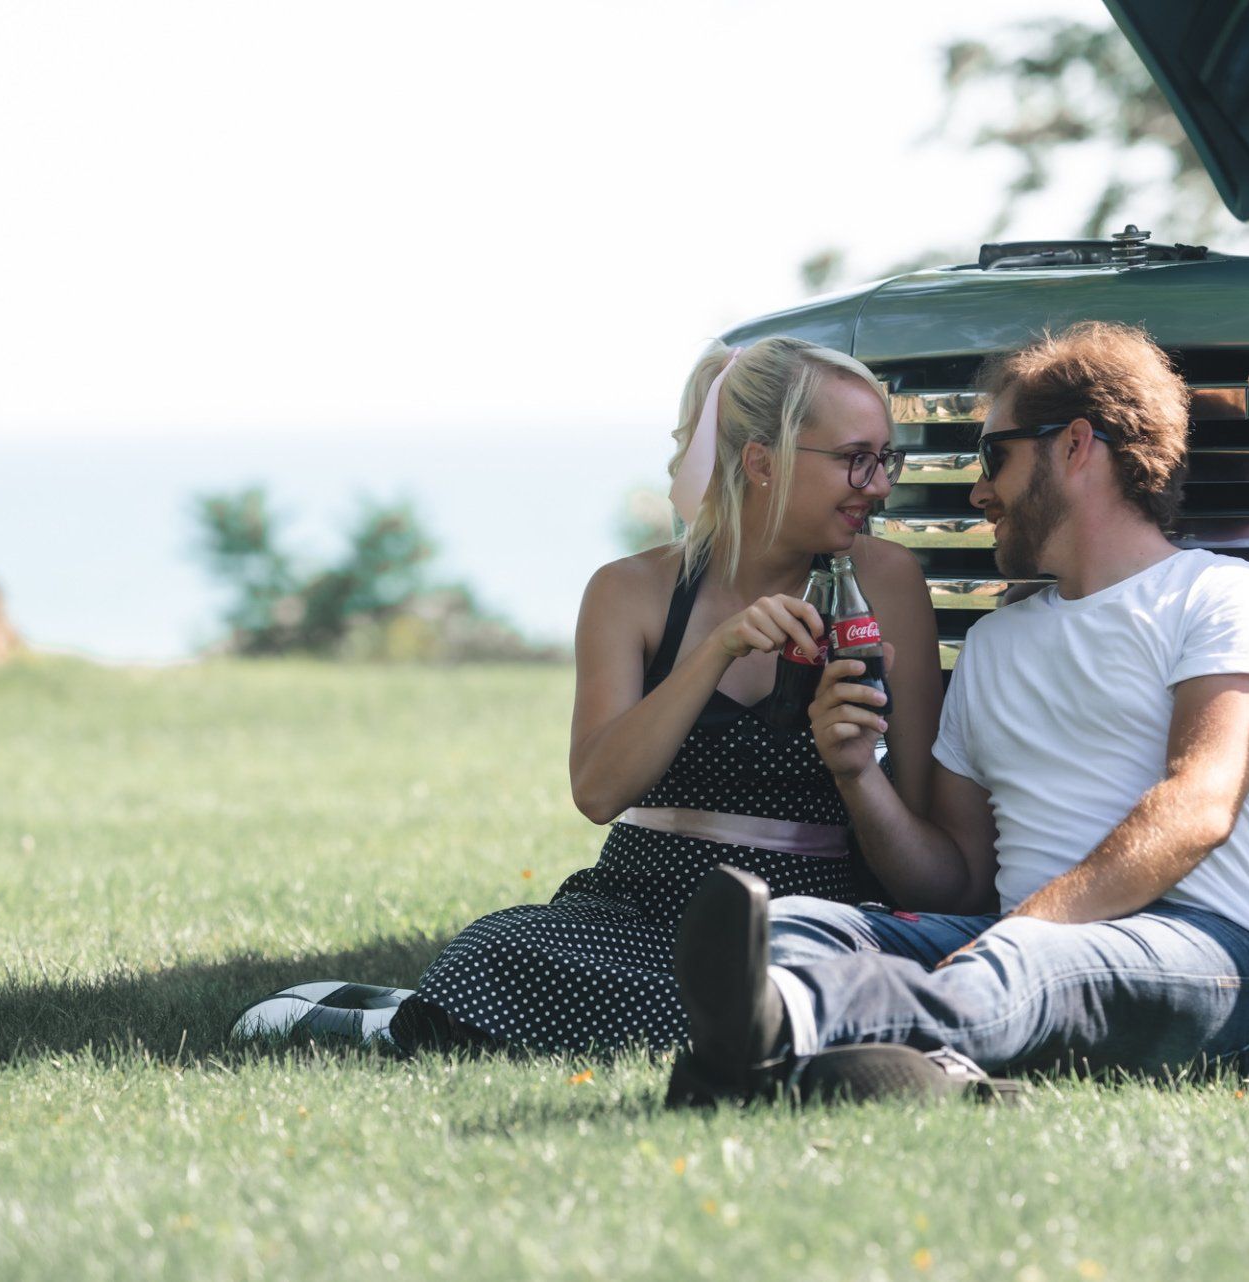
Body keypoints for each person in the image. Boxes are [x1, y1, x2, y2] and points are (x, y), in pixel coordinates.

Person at [232, 335, 940, 1054]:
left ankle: (414, 1021)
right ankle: (416, 1017)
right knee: (499, 946)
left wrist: (854, 764)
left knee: (764, 989)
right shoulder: (630, 591)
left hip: (811, 914)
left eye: (886, 459)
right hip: (642, 903)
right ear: (762, 462)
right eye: (857, 458)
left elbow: (922, 836)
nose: (879, 485)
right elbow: (599, 792)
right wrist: (716, 650)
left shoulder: (887, 584)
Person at [667, 320, 1249, 1105]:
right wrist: (856, 774)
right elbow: (956, 881)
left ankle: (789, 1027)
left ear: (1076, 446)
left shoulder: (1223, 597)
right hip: (1008, 945)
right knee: (799, 925)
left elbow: (1196, 811)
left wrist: (1021, 931)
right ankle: (891, 1072)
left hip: (1209, 949)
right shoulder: (995, 645)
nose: (978, 491)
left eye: (993, 456)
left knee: (1027, 967)